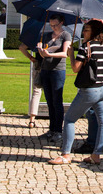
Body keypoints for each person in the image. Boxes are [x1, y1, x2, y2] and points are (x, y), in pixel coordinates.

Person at [48, 19, 103, 165]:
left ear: (94, 31)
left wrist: (71, 53)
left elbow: (76, 68)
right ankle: (96, 155)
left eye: (87, 30)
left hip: (89, 90)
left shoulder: (86, 47)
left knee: (69, 119)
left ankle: (66, 154)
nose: (83, 32)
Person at [36, 14, 73, 144]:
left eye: (56, 25)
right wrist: (41, 50)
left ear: (61, 23)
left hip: (58, 71)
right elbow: (42, 54)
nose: (53, 27)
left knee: (57, 101)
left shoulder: (65, 35)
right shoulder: (47, 35)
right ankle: (51, 129)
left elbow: (65, 53)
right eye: (51, 25)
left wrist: (50, 53)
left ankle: (58, 130)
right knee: (49, 101)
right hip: (45, 69)